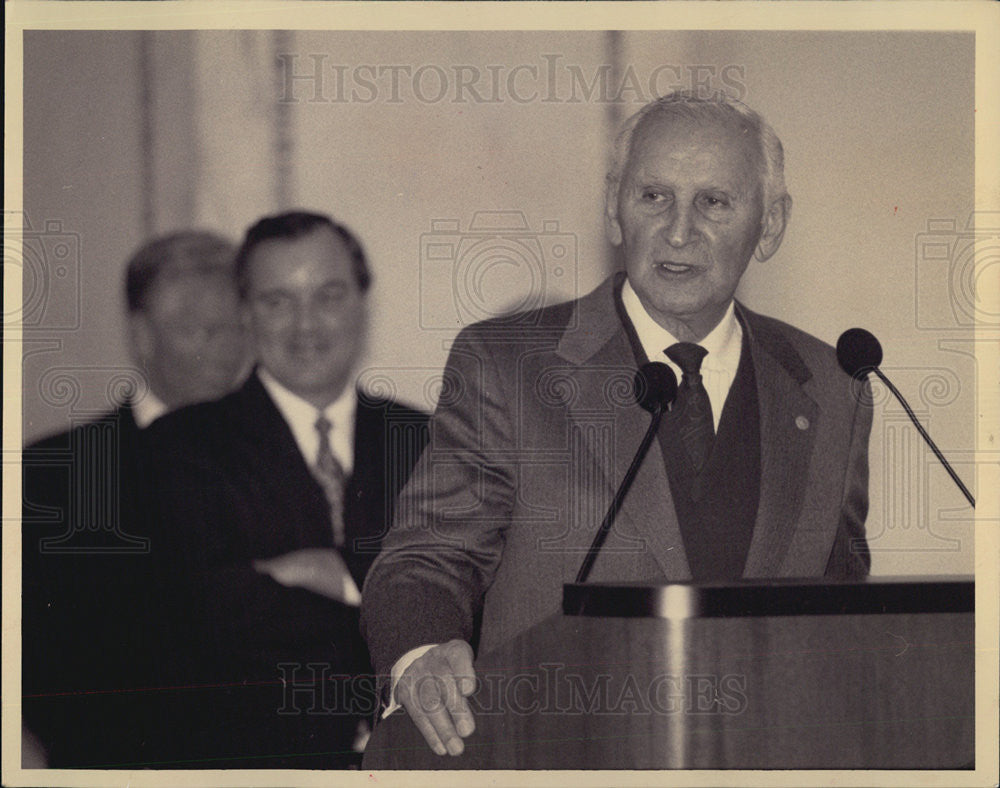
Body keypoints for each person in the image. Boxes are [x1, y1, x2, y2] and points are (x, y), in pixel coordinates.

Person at [360, 91, 873, 758]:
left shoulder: (833, 385)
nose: (679, 231)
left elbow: (843, 588)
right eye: (653, 197)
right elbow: (428, 558)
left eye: (715, 202)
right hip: (554, 752)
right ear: (612, 207)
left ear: (771, 224)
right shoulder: (510, 364)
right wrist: (422, 655)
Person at [144, 211, 429, 768]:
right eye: (278, 302)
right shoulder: (178, 446)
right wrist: (385, 583)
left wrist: (338, 572)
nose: (307, 326)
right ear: (245, 313)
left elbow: (478, 598)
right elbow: (206, 619)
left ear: (362, 304)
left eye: (329, 296)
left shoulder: (429, 440)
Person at [21, 230, 247, 767]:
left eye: (237, 328)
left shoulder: (284, 455)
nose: (227, 349)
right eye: (200, 330)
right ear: (143, 336)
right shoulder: (57, 474)